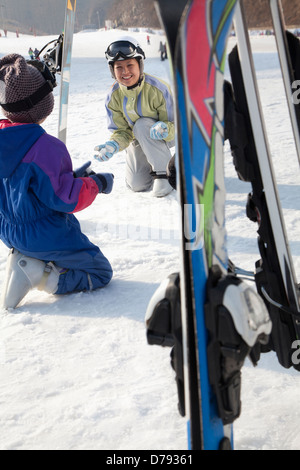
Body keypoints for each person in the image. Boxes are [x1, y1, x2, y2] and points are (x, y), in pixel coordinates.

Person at [0, 53, 114, 309]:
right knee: (100, 272)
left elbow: (27, 186)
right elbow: (66, 199)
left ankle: (25, 255)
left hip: (8, 229)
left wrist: (70, 178)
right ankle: (38, 273)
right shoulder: (46, 147)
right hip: (43, 234)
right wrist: (96, 184)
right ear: (41, 105)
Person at [94, 36, 175, 198]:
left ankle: (164, 174)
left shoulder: (159, 89)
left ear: (140, 65)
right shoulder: (113, 97)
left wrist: (164, 128)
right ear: (112, 70)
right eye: (119, 67)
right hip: (138, 139)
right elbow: (123, 132)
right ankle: (154, 164)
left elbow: (175, 125)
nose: (125, 72)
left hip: (166, 136)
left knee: (141, 124)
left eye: (130, 65)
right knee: (137, 184)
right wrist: (114, 145)